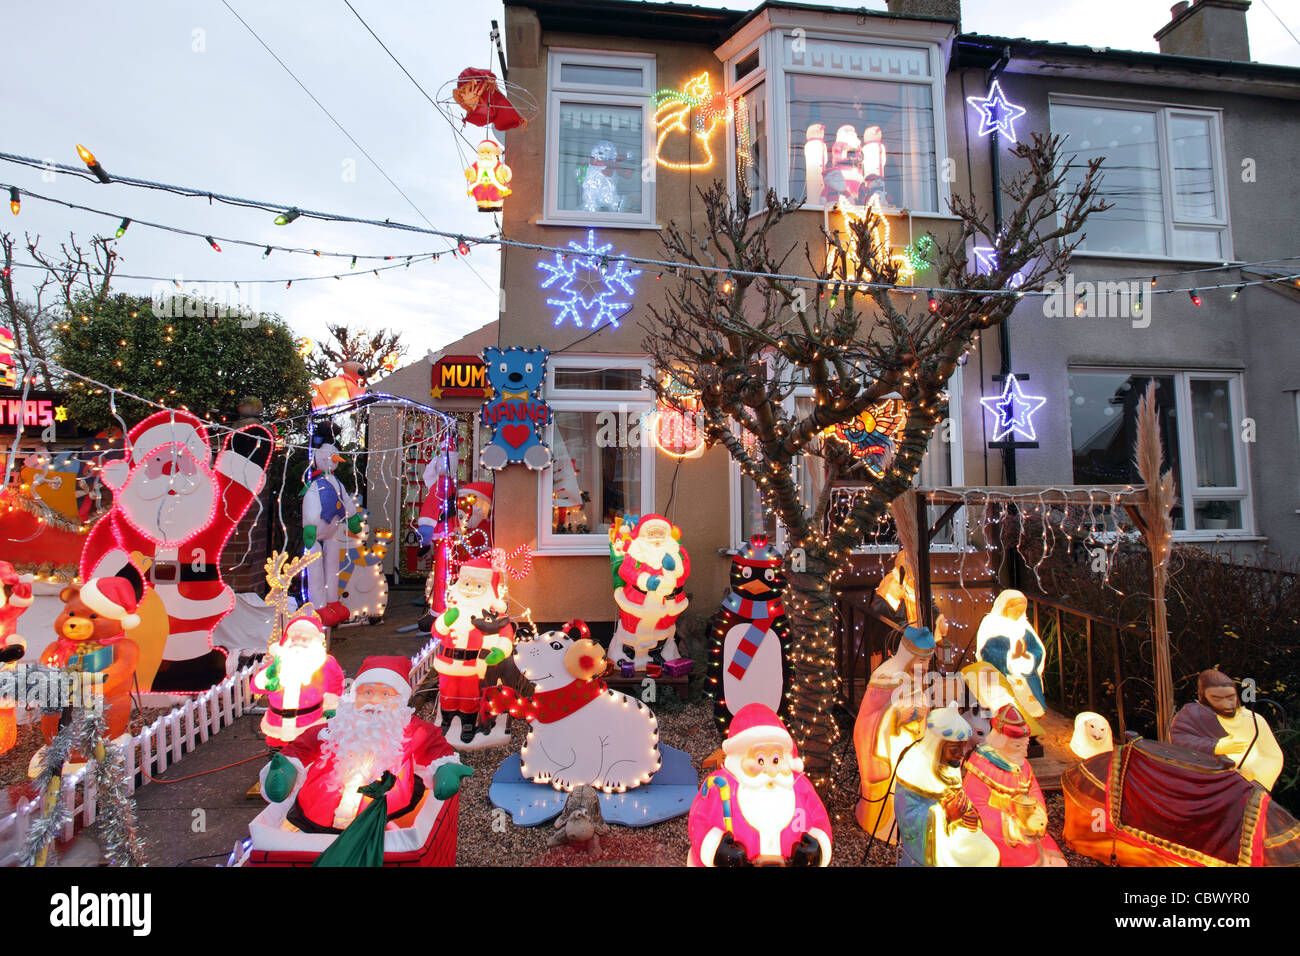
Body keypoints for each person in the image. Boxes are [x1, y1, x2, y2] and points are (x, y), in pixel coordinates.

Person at [260, 656, 472, 833]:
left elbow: (433, 745)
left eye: (385, 694)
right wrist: (285, 770)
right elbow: (303, 746)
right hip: (319, 807)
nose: (375, 701)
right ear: (355, 696)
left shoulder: (408, 728)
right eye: (367, 692)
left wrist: (445, 769)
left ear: (399, 700)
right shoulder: (338, 724)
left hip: (385, 807)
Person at [688, 703, 832, 867]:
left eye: (776, 759)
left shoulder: (800, 785)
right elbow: (698, 819)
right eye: (760, 760)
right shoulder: (720, 786)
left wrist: (818, 848)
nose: (770, 769)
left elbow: (820, 818)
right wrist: (715, 850)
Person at [853, 624, 936, 841]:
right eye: (921, 661)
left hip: (913, 743)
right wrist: (899, 716)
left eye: (928, 661)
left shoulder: (915, 675)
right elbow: (870, 719)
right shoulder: (886, 677)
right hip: (891, 745)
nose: (925, 667)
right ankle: (887, 827)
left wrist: (922, 709)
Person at [894, 705, 999, 867]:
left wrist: (969, 813)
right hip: (930, 842)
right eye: (955, 748)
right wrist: (945, 816)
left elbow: (958, 795)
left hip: (952, 829)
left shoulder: (949, 764)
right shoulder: (914, 767)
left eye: (963, 746)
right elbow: (908, 818)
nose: (961, 753)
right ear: (937, 746)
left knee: (988, 852)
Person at [963, 704, 1066, 866]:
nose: (1024, 754)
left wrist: (1038, 812)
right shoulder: (981, 766)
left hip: (1026, 830)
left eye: (1025, 747)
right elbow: (975, 808)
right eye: (1018, 746)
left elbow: (1033, 789)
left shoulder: (1022, 764)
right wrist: (1013, 824)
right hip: (997, 834)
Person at [432, 557, 514, 744]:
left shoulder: (491, 615)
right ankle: (446, 719)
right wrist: (445, 621)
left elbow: (505, 634)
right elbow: (436, 631)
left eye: (478, 587)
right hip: (447, 662)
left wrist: (500, 651)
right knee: (447, 690)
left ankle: (467, 723)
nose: (469, 589)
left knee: (469, 694)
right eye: (466, 584)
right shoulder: (452, 610)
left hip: (472, 665)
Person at [1171, 669, 1283, 791]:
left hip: (1248, 788)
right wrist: (1217, 746)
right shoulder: (1193, 716)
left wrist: (1253, 774)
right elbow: (1179, 740)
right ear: (1203, 696)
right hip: (1205, 786)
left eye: (1230, 698)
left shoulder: (1253, 719)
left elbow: (1272, 757)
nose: (1226, 704)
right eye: (1217, 699)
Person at [252, 610, 344, 747]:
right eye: (294, 639)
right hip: (276, 723)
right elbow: (255, 686)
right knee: (278, 758)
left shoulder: (324, 663)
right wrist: (268, 678)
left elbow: (335, 686)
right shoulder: (279, 662)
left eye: (304, 639)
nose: (298, 643)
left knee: (308, 755)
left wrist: (331, 707)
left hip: (309, 722)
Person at [965, 589, 1046, 723]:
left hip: (1025, 670)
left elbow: (1038, 649)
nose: (1019, 614)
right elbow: (987, 651)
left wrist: (1029, 659)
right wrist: (1010, 658)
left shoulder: (1023, 625)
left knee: (1028, 691)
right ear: (1006, 608)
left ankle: (1027, 725)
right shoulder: (991, 623)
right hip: (1002, 672)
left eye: (1022, 611)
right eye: (1016, 610)